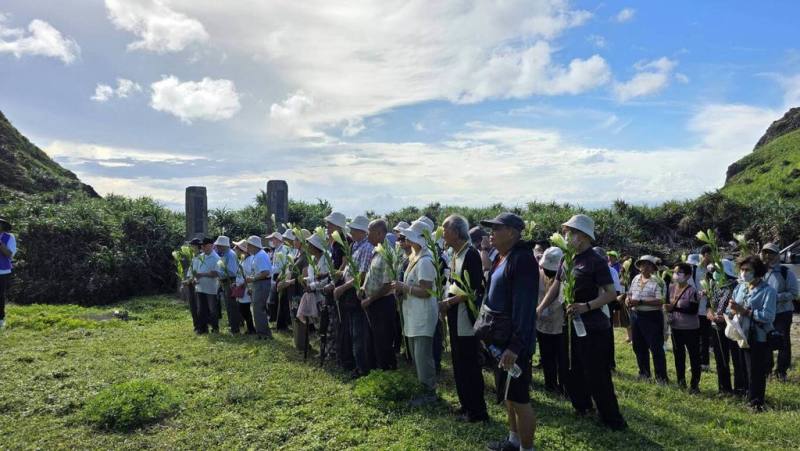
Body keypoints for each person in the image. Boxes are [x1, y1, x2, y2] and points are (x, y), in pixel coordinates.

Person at [538, 214, 626, 431]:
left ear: (583, 236)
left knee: (596, 372)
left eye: (571, 232)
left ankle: (611, 418)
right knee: (572, 368)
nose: (567, 236)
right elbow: (556, 286)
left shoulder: (595, 261)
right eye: (566, 232)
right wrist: (540, 308)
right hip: (571, 324)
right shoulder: (567, 259)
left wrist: (585, 306)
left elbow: (610, 293)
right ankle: (582, 406)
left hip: (593, 326)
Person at [478, 213, 538, 451]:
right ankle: (513, 441)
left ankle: (527, 448)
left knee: (520, 399)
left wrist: (515, 346)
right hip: (499, 338)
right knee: (509, 395)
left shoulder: (522, 260)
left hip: (514, 342)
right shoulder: (503, 257)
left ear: (512, 232)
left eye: (496, 228)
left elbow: (524, 308)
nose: (491, 232)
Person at [440, 214, 488, 422]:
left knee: (469, 365)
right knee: (458, 364)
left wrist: (449, 303)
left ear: (456, 232)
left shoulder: (471, 255)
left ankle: (477, 411)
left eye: (446, 229)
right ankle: (465, 405)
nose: (443, 234)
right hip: (454, 318)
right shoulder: (455, 254)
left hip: (466, 320)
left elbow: (475, 290)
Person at [392, 220, 438, 403]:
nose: (407, 240)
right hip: (413, 313)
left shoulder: (426, 261)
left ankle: (429, 393)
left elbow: (426, 291)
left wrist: (404, 288)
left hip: (422, 315)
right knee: (416, 355)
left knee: (423, 356)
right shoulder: (414, 257)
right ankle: (422, 389)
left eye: (410, 237)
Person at [728, 255, 777, 411]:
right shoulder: (741, 287)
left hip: (757, 336)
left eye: (747, 270)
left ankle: (756, 403)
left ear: (757, 271)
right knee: (742, 368)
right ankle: (747, 395)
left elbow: (768, 316)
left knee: (755, 370)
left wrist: (746, 312)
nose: (743, 273)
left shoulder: (768, 291)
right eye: (742, 269)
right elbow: (733, 306)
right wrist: (731, 311)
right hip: (740, 333)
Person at [334, 216, 375, 377]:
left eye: (353, 229)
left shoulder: (366, 248)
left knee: (359, 333)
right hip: (348, 291)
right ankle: (356, 364)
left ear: (361, 232)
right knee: (351, 330)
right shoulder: (354, 245)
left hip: (355, 292)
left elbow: (362, 274)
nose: (350, 232)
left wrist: (343, 287)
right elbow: (349, 271)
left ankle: (362, 368)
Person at [359, 219, 397, 371]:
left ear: (380, 233)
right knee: (374, 341)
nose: (367, 236)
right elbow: (372, 275)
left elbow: (387, 285)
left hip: (383, 303)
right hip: (374, 302)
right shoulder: (377, 250)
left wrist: (370, 299)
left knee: (383, 342)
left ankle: (387, 373)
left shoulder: (387, 253)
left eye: (370, 233)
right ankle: (376, 372)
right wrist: (363, 287)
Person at [627, 255, 668, 383]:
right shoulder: (635, 278)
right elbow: (630, 293)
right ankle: (644, 373)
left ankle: (661, 377)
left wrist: (639, 301)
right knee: (638, 346)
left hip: (652, 317)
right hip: (636, 316)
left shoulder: (658, 281)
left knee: (656, 347)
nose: (644, 267)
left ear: (653, 268)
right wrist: (628, 300)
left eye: (648, 264)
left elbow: (660, 300)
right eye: (642, 264)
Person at [760, 243, 798, 381]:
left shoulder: (785, 272)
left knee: (783, 342)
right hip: (766, 313)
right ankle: (767, 370)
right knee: (765, 341)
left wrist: (776, 297)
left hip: (783, 313)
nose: (768, 256)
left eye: (771, 253)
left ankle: (781, 371)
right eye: (765, 253)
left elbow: (794, 293)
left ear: (777, 255)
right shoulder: (760, 272)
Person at [707, 259, 745, 395]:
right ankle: (724, 388)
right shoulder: (713, 284)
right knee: (721, 358)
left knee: (737, 357)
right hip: (716, 326)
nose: (714, 274)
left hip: (732, 325)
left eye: (717, 271)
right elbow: (709, 305)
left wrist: (726, 317)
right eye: (714, 271)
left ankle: (740, 388)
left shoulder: (736, 285)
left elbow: (739, 305)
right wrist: (711, 315)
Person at [536, 246, 568, 396]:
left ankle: (564, 385)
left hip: (559, 322)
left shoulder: (566, 277)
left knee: (561, 356)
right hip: (541, 321)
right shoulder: (538, 274)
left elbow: (562, 298)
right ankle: (550, 384)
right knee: (546, 354)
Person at [665, 262, 701, 392]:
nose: (676, 275)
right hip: (675, 327)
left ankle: (695, 384)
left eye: (679, 273)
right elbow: (667, 304)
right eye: (674, 272)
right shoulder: (671, 287)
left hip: (691, 328)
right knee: (678, 356)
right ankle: (681, 382)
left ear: (688, 275)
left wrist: (674, 308)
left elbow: (693, 310)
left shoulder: (692, 291)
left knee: (694, 356)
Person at [324, 212, 349, 367]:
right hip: (335, 283)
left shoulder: (342, 242)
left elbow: (344, 265)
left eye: (330, 224)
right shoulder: (334, 243)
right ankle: (334, 351)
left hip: (339, 286)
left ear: (338, 227)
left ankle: (338, 353)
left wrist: (334, 282)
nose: (327, 227)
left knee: (337, 321)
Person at [246, 235, 273, 339]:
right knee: (258, 308)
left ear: (254, 245)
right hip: (260, 283)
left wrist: (252, 279)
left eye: (248, 245)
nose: (247, 247)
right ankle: (262, 332)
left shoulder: (260, 256)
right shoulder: (258, 255)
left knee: (258, 308)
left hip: (262, 283)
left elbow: (265, 272)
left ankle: (263, 333)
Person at [192, 237, 221, 334]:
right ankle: (202, 328)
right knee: (201, 309)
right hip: (200, 286)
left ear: (211, 245)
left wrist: (202, 275)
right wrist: (196, 278)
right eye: (201, 246)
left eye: (204, 245)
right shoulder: (201, 256)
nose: (202, 247)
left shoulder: (216, 258)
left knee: (212, 309)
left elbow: (216, 273)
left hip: (211, 288)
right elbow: (198, 271)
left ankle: (215, 328)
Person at [215, 236, 241, 334]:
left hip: (230, 281)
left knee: (231, 305)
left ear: (223, 245)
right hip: (226, 281)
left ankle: (235, 328)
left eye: (218, 245)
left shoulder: (230, 255)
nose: (217, 247)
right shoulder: (225, 254)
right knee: (229, 305)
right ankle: (233, 326)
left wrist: (219, 272)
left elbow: (232, 271)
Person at [267, 232, 290, 330]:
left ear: (278, 239)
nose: (271, 241)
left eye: (273, 239)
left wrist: (269, 269)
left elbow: (281, 266)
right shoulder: (276, 250)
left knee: (280, 301)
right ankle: (277, 322)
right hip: (275, 276)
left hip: (280, 276)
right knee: (275, 301)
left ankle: (282, 324)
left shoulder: (284, 249)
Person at [233, 239, 256, 334]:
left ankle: (251, 329)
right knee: (243, 309)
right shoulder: (242, 260)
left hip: (247, 288)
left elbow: (252, 274)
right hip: (241, 288)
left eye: (236, 248)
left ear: (242, 250)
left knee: (245, 310)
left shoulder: (250, 260)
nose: (235, 250)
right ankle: (250, 328)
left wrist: (247, 285)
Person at [0, 218, 17, 329]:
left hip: (2, 271)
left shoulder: (9, 237)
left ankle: (1, 319)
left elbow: (10, 254)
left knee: (0, 295)